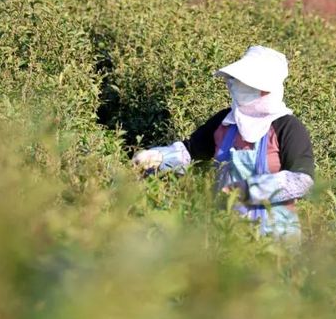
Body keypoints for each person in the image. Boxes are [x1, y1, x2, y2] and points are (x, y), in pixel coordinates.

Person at [131, 45, 315, 238]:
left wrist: (248, 190)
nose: (238, 86)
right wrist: (157, 157)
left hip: (274, 238)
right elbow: (190, 151)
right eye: (238, 81)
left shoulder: (287, 126)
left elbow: (303, 179)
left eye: (248, 83)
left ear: (266, 89)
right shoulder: (226, 121)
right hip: (224, 230)